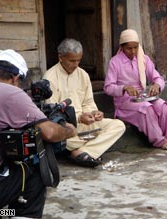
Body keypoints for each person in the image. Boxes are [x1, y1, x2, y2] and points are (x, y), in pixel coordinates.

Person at [0, 49, 76, 218]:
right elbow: (49, 133)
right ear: (16, 78)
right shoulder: (10, 93)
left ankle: (4, 212)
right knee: (35, 169)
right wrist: (70, 130)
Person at [43, 38, 126, 167]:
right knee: (60, 139)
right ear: (61, 57)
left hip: (83, 125)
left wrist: (94, 113)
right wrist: (79, 117)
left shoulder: (83, 75)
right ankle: (88, 148)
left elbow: (88, 102)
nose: (76, 64)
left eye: (78, 60)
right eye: (72, 61)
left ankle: (82, 151)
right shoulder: (50, 77)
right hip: (66, 129)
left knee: (118, 125)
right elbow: (52, 115)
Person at [104, 29, 167, 150]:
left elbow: (157, 77)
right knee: (146, 108)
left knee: (162, 105)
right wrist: (124, 88)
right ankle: (160, 141)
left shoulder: (144, 59)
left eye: (135, 47)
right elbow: (108, 88)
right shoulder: (115, 62)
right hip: (124, 103)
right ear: (122, 47)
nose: (133, 51)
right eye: (129, 48)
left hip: (142, 97)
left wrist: (157, 85)